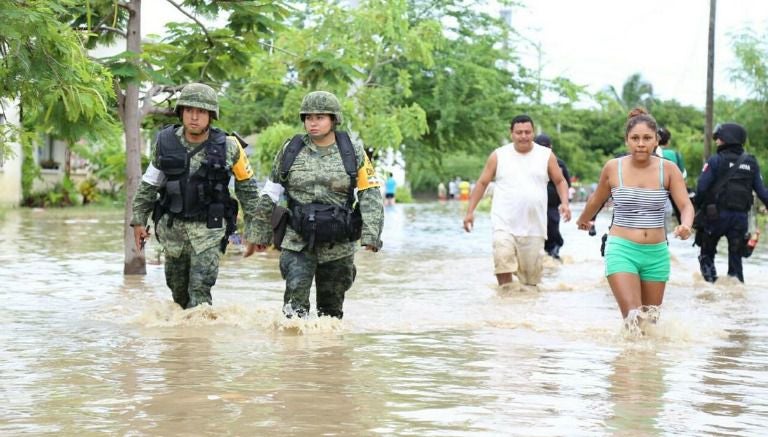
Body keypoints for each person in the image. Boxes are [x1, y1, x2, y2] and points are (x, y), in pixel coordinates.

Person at [250, 91, 384, 319]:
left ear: (333, 119)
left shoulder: (352, 151)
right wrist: (259, 233)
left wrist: (371, 235)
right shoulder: (290, 149)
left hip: (338, 242)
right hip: (297, 240)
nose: (313, 122)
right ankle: (295, 354)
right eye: (308, 117)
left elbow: (369, 193)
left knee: (331, 315)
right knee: (294, 312)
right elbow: (271, 192)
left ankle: (328, 354)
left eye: (320, 117)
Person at [130, 83, 261, 309]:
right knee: (178, 294)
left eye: (201, 112)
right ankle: (183, 343)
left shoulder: (230, 147)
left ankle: (201, 341)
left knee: (200, 292)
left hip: (209, 232)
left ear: (211, 116)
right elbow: (149, 184)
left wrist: (255, 231)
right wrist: (139, 220)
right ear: (181, 112)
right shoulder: (165, 142)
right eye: (189, 110)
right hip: (173, 232)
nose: (194, 117)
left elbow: (248, 191)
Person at [575, 108, 694, 331]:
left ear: (656, 140)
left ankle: (645, 365)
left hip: (656, 253)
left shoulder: (668, 169)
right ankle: (627, 364)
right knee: (633, 318)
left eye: (647, 138)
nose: (641, 143)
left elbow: (685, 204)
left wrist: (686, 224)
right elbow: (596, 199)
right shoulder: (613, 168)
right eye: (635, 138)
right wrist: (584, 219)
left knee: (650, 324)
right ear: (627, 140)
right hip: (622, 249)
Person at [463, 115, 572, 293]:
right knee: (502, 260)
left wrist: (565, 203)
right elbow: (482, 183)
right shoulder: (499, 155)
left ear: (533, 132)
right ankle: (505, 304)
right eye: (519, 132)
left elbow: (560, 181)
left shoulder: (545, 156)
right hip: (504, 223)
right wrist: (470, 212)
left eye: (527, 132)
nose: (523, 136)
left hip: (534, 226)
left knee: (530, 284)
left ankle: (523, 313)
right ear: (511, 133)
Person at [694, 122, 768, 283]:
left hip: (714, 218)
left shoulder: (715, 160)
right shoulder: (751, 162)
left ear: (727, 139)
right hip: (740, 220)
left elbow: (701, 188)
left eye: (719, 138)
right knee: (736, 260)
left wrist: (696, 212)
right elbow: (763, 192)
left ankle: (709, 292)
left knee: (706, 255)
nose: (716, 141)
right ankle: (737, 295)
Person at [534, 133, 572, 260]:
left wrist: (565, 203)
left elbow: (565, 183)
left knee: (552, 227)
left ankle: (554, 249)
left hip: (552, 204)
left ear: (551, 147)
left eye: (546, 147)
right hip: (534, 204)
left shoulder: (558, 164)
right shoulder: (529, 164)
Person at [655, 126, 687, 224]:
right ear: (668, 141)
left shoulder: (647, 153)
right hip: (667, 199)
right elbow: (684, 177)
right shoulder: (675, 154)